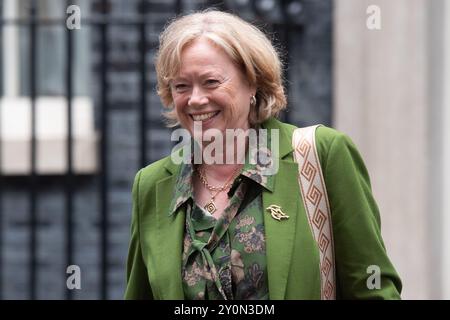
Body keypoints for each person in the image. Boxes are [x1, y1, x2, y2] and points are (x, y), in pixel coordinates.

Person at [124, 10, 402, 300]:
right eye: (181, 86)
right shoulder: (152, 185)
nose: (195, 99)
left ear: (252, 82)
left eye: (211, 82)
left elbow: (373, 289)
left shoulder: (320, 155)